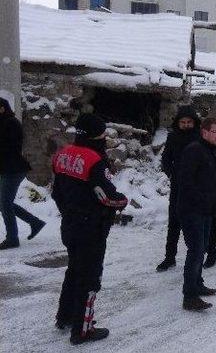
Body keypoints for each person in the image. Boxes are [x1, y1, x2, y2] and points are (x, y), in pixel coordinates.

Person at [52, 113, 128, 345]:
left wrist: (69, 210)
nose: (105, 138)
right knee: (90, 277)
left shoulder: (62, 154)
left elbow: (56, 192)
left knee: (74, 270)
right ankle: (82, 330)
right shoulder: (94, 159)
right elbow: (106, 196)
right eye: (103, 134)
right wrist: (122, 201)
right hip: (91, 227)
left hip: (70, 223)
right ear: (96, 135)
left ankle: (64, 316)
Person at [177, 118, 216, 311]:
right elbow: (186, 182)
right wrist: (201, 201)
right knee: (195, 251)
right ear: (204, 132)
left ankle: (198, 284)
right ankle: (189, 296)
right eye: (215, 131)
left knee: (202, 248)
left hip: (205, 210)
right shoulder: (194, 150)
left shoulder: (209, 151)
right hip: (191, 210)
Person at [156, 106, 201, 272]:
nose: (186, 125)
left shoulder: (199, 137)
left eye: (189, 122)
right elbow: (166, 158)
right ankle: (169, 257)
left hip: (196, 187)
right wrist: (171, 173)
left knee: (198, 224)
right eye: (183, 122)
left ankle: (204, 253)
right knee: (174, 223)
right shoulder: (173, 137)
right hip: (178, 186)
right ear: (178, 122)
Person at [0, 90, 45, 250]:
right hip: (7, 168)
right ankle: (35, 222)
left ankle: (12, 238)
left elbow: (10, 147)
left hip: (14, 169)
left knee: (5, 203)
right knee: (4, 203)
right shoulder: (4, 122)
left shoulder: (10, 123)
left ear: (2, 108)